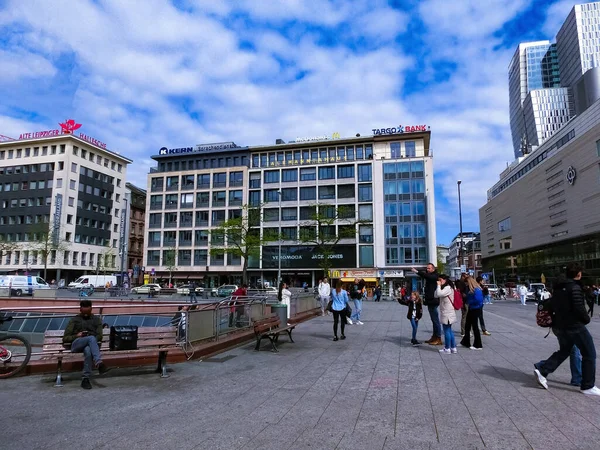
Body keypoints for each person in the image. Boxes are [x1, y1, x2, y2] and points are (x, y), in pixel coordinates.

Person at [534, 263, 600, 395]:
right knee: (589, 353)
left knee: (565, 351)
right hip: (574, 326)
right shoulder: (574, 288)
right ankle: (587, 385)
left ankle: (543, 370)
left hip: (560, 325)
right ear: (578, 274)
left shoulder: (559, 288)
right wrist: (586, 319)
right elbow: (578, 308)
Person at [62, 300, 109, 389]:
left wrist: (90, 339)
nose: (86, 314)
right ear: (80, 309)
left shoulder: (96, 320)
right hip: (76, 344)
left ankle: (85, 379)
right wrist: (77, 335)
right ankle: (99, 363)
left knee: (88, 351)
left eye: (88, 311)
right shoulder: (74, 320)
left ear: (91, 309)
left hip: (90, 346)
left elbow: (99, 336)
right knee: (91, 338)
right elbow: (65, 338)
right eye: (84, 311)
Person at [411, 264, 441, 345]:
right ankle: (434, 337)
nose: (427, 269)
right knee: (433, 320)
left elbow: (427, 276)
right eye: (427, 268)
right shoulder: (430, 275)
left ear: (433, 269)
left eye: (429, 268)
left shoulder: (435, 275)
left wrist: (417, 271)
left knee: (435, 320)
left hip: (433, 300)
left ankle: (438, 337)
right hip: (430, 301)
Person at [459, 276, 484, 350]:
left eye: (466, 283)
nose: (466, 285)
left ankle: (478, 345)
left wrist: (469, 301)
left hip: (475, 309)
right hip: (472, 308)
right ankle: (465, 342)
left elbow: (478, 300)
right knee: (467, 325)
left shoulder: (477, 290)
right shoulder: (472, 290)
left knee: (475, 326)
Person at [435, 274, 457, 354]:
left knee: (447, 330)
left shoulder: (448, 288)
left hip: (447, 312)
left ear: (445, 280)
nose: (439, 282)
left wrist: (438, 286)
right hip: (447, 312)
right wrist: (439, 287)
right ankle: (453, 347)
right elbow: (436, 294)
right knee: (449, 330)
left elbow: (439, 294)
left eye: (440, 280)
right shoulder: (446, 288)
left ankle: (447, 348)